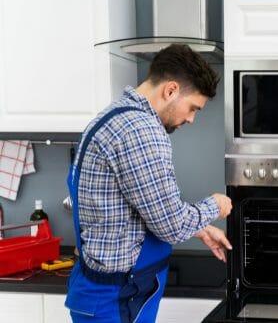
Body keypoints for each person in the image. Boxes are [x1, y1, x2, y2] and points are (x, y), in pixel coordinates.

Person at [64, 44, 233, 322]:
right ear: (171, 90)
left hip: (110, 292)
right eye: (193, 108)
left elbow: (137, 211)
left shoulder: (115, 116)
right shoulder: (140, 131)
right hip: (113, 299)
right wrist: (215, 205)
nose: (191, 119)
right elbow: (171, 225)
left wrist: (200, 229)